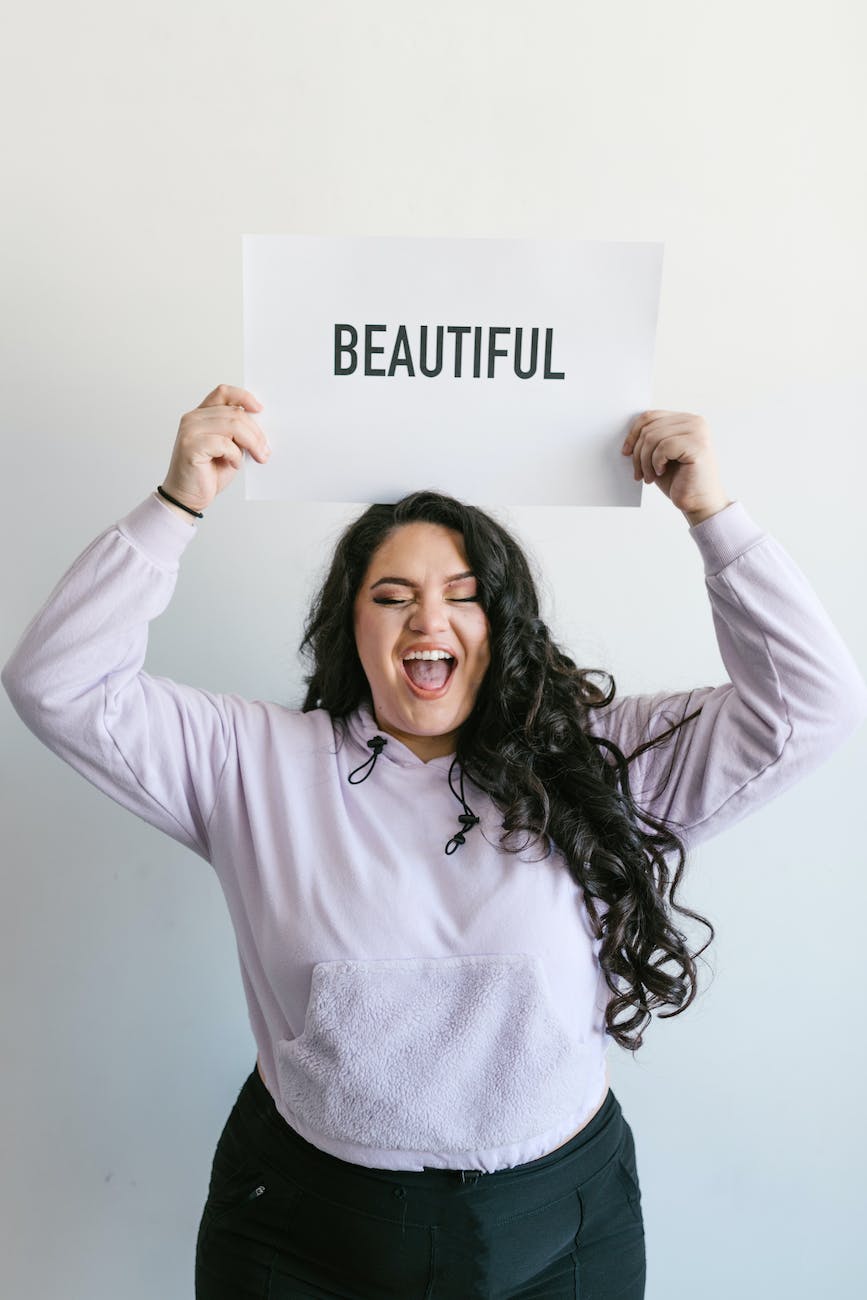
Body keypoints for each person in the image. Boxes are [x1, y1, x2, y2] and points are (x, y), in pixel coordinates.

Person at [3, 384, 865, 1300]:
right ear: (352, 625)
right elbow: (58, 681)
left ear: (501, 623)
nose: (428, 621)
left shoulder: (603, 761)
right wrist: (176, 505)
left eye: (463, 595)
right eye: (393, 596)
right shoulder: (248, 760)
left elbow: (809, 705)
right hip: (302, 1219)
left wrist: (711, 516)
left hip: (556, 1222)